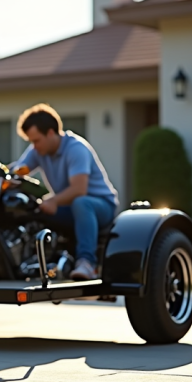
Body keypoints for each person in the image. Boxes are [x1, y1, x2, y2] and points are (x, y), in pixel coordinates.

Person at [9, 104, 118, 280]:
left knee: (81, 203)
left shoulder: (76, 149)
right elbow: (18, 171)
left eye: (36, 140)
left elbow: (79, 189)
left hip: (100, 206)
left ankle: (87, 263)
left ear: (51, 133)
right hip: (69, 207)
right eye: (31, 142)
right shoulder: (39, 150)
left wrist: (53, 201)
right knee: (30, 208)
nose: (34, 146)